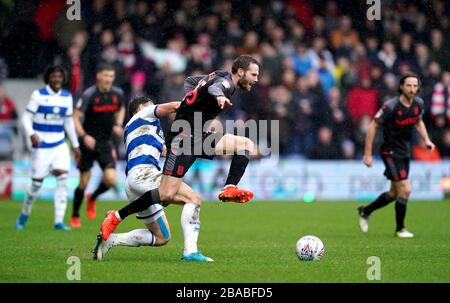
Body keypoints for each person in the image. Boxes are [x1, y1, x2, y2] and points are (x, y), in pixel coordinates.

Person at [99, 55, 260, 246]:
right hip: (183, 138)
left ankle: (229, 188)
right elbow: (216, 89)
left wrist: (192, 102)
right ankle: (117, 216)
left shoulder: (217, 75)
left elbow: (190, 81)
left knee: (245, 145)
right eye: (254, 74)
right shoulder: (225, 84)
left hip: (197, 135)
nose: (256, 79)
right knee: (166, 193)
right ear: (240, 72)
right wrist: (218, 97)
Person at [93, 97, 213, 262]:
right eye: (152, 104)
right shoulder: (144, 113)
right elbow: (174, 106)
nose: (155, 107)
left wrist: (201, 139)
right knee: (194, 199)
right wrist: (200, 108)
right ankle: (190, 252)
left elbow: (170, 150)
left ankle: (112, 240)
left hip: (133, 182)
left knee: (161, 237)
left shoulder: (142, 129)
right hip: (146, 174)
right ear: (142, 107)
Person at [358, 73, 435, 238]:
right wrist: (367, 154)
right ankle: (400, 229)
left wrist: (426, 140)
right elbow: (372, 127)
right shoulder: (390, 106)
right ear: (401, 87)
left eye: (415, 86)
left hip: (404, 151)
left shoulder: (418, 104)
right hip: (390, 152)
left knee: (394, 193)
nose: (412, 89)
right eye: (408, 85)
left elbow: (418, 121)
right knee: (406, 189)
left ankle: (365, 211)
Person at [16, 65, 81, 230]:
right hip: (42, 146)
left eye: (60, 77)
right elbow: (25, 118)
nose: (57, 79)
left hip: (59, 144)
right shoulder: (38, 95)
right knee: (36, 184)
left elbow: (68, 123)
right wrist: (31, 133)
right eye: (54, 76)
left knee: (62, 180)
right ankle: (25, 212)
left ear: (63, 79)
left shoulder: (67, 97)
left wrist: (75, 145)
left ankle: (59, 221)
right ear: (48, 78)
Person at [70, 63, 125, 228]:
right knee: (83, 181)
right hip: (88, 143)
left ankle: (92, 198)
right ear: (99, 77)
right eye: (105, 75)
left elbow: (121, 109)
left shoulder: (118, 94)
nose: (108, 79)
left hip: (106, 143)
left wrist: (118, 123)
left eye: (111, 76)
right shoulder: (89, 94)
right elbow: (75, 117)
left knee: (110, 179)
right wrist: (84, 136)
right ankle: (75, 215)